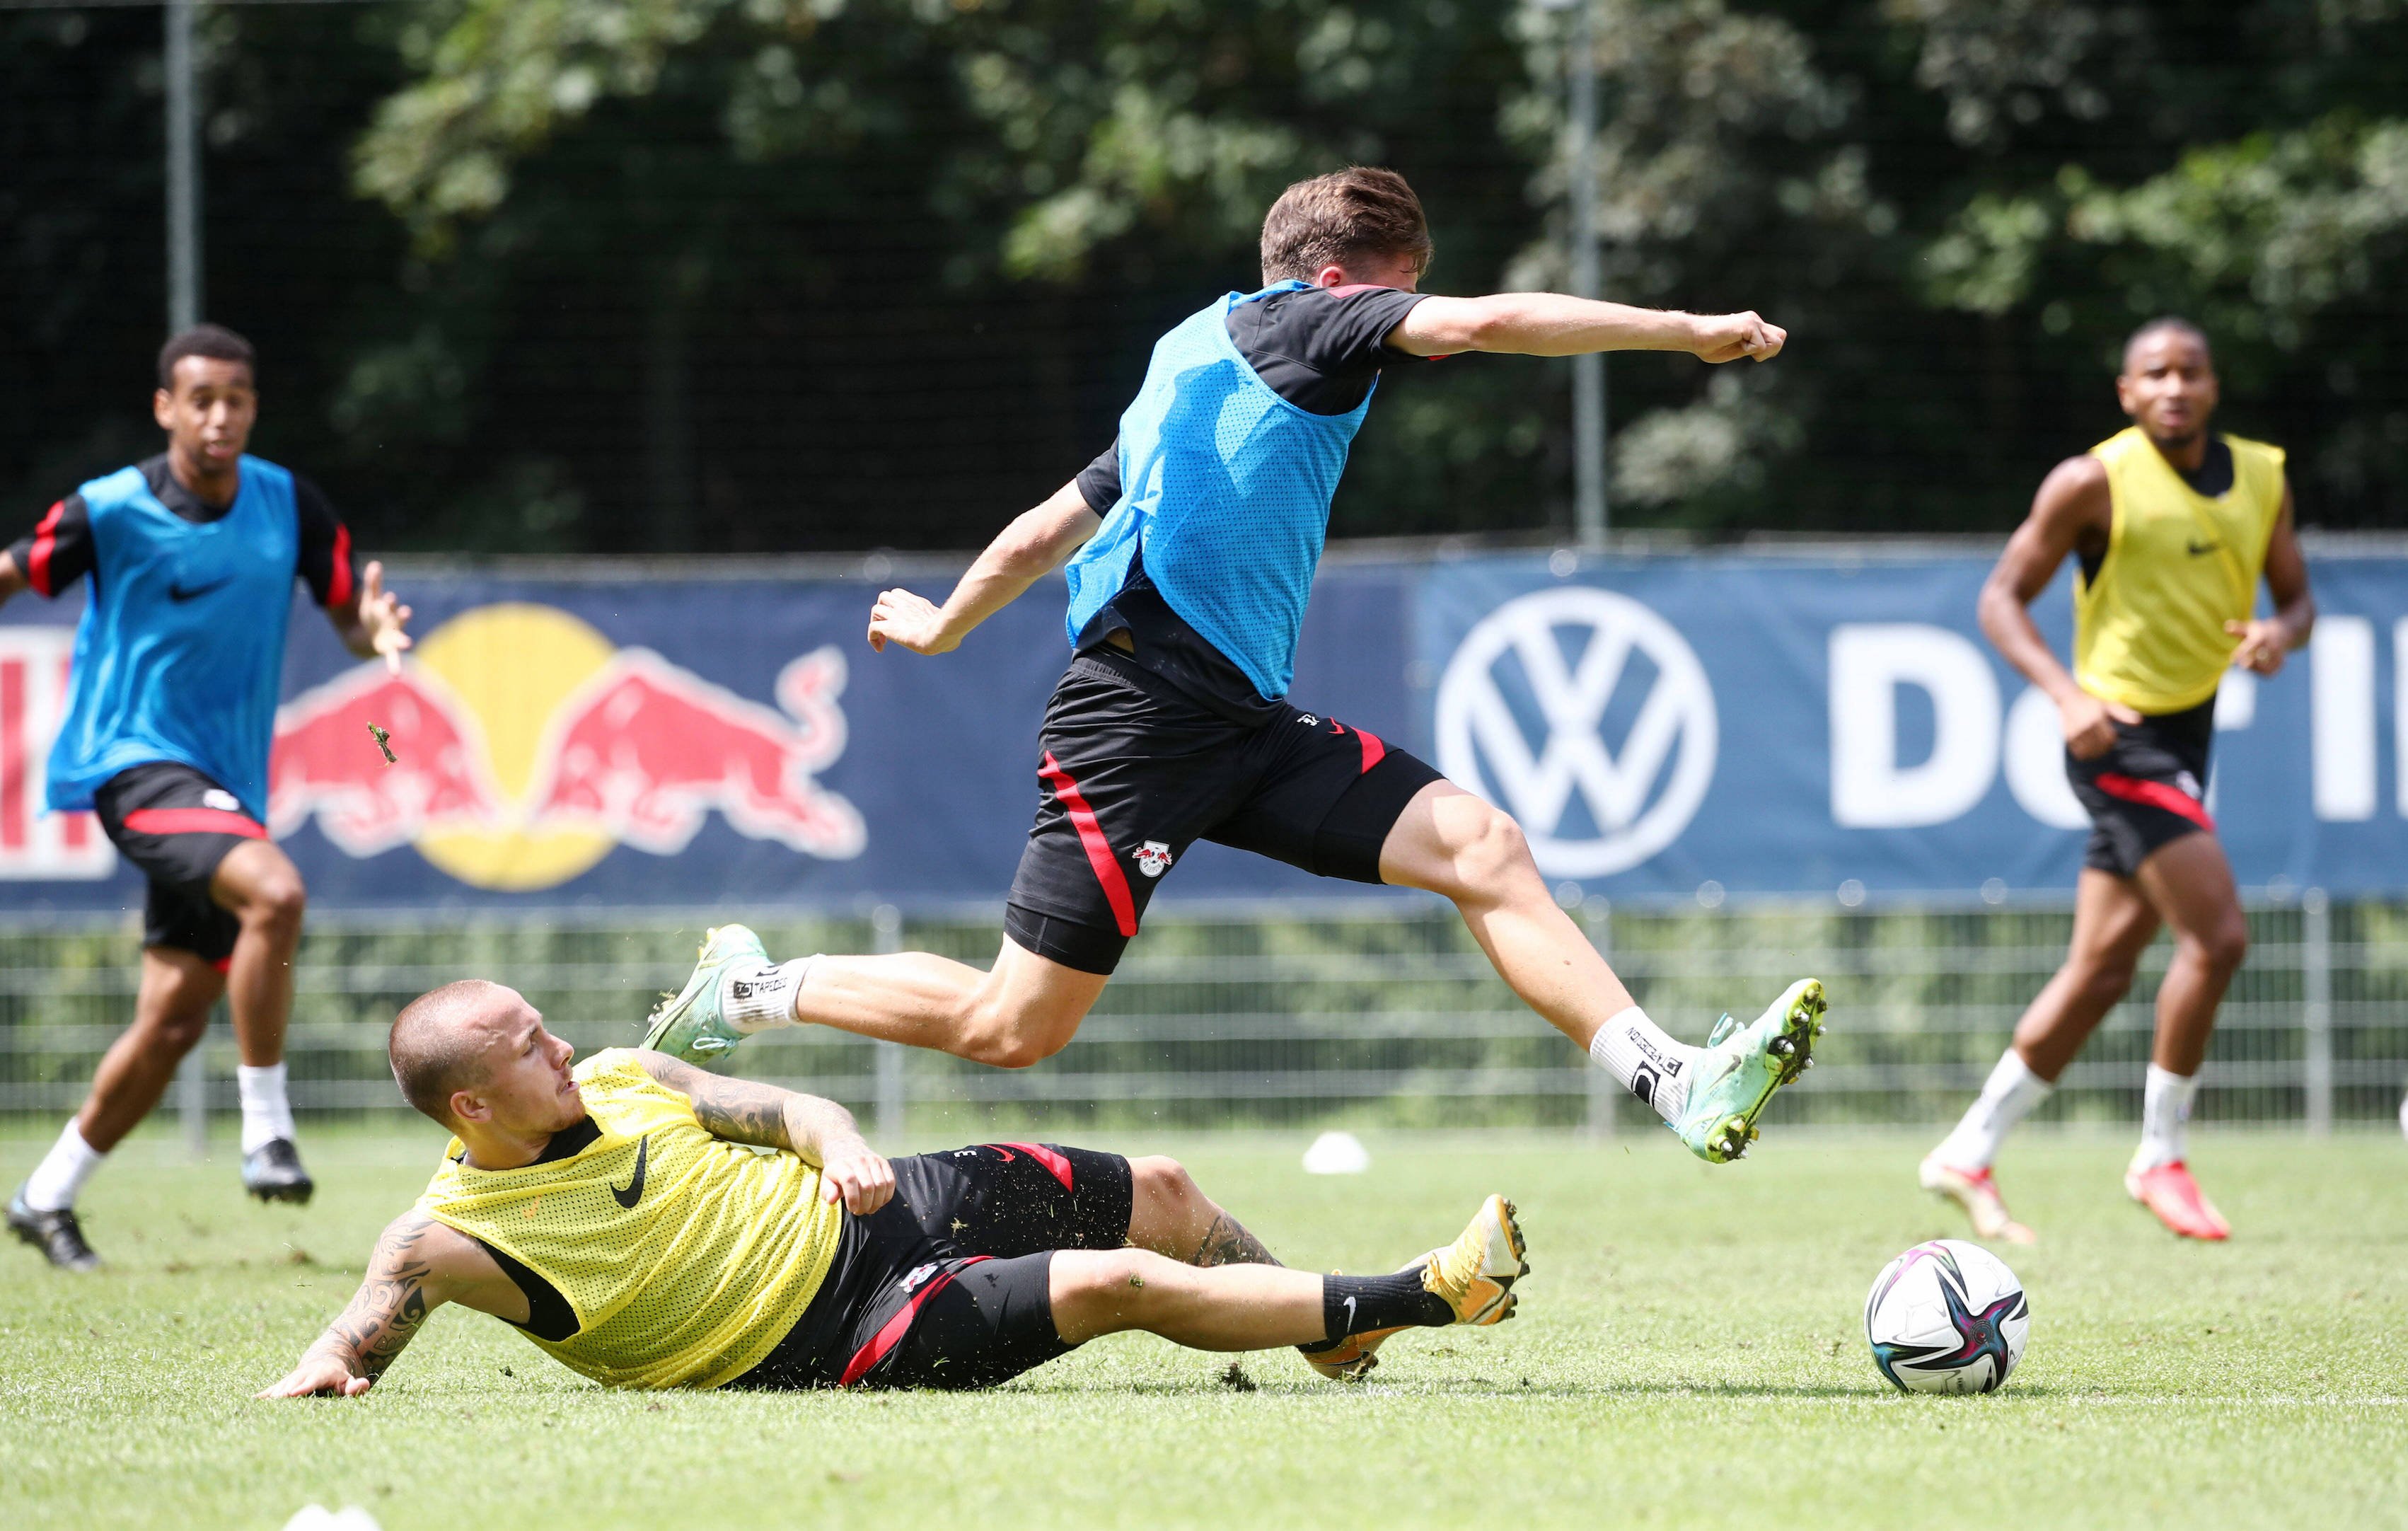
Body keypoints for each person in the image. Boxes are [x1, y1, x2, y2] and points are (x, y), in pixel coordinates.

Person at [642, 168, 1828, 1220]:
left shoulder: (1189, 357)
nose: (1413, 324)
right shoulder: (1314, 325)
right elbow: (1489, 322)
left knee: (1482, 845)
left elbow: (1066, 512)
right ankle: (748, 989)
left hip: (1240, 721)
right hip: (1142, 721)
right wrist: (1687, 331)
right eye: (1397, 294)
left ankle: (1673, 1079)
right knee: (1014, 1029)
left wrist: (949, 619)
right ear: (1331, 282)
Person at [258, 981, 1527, 1397]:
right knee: (1117, 1284)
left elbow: (789, 1110)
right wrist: (329, 1361)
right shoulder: (456, 1231)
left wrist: (838, 1142)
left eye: (543, 1026)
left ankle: (1326, 1344)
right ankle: (1419, 1297)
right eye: (526, 1050)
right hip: (838, 1336)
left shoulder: (624, 1074)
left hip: (876, 1208)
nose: (557, 1047)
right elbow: (383, 1295)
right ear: (470, 1108)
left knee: (1163, 1191)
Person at [4, 325, 413, 1271]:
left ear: (253, 405)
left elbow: (352, 618)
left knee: (177, 1015)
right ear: (166, 408)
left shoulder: (288, 505)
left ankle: (44, 1196)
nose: (218, 415)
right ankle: (267, 1128)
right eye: (200, 399)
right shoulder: (109, 509)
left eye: (236, 398)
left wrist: (376, 628)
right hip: (131, 761)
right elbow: (16, 571)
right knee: (277, 893)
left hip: (222, 786)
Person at [1922, 316, 2313, 1244]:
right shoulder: (2092, 479)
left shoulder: (2263, 476)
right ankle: (2159, 1154)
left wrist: (2277, 635)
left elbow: (2298, 598)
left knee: (2099, 971)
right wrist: (2063, 696)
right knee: (2218, 940)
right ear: (2127, 392)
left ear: (2213, 386)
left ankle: (1968, 1149)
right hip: (2116, 740)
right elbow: (1998, 599)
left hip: (2190, 737)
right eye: (2155, 373)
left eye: (2191, 372)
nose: (2174, 387)